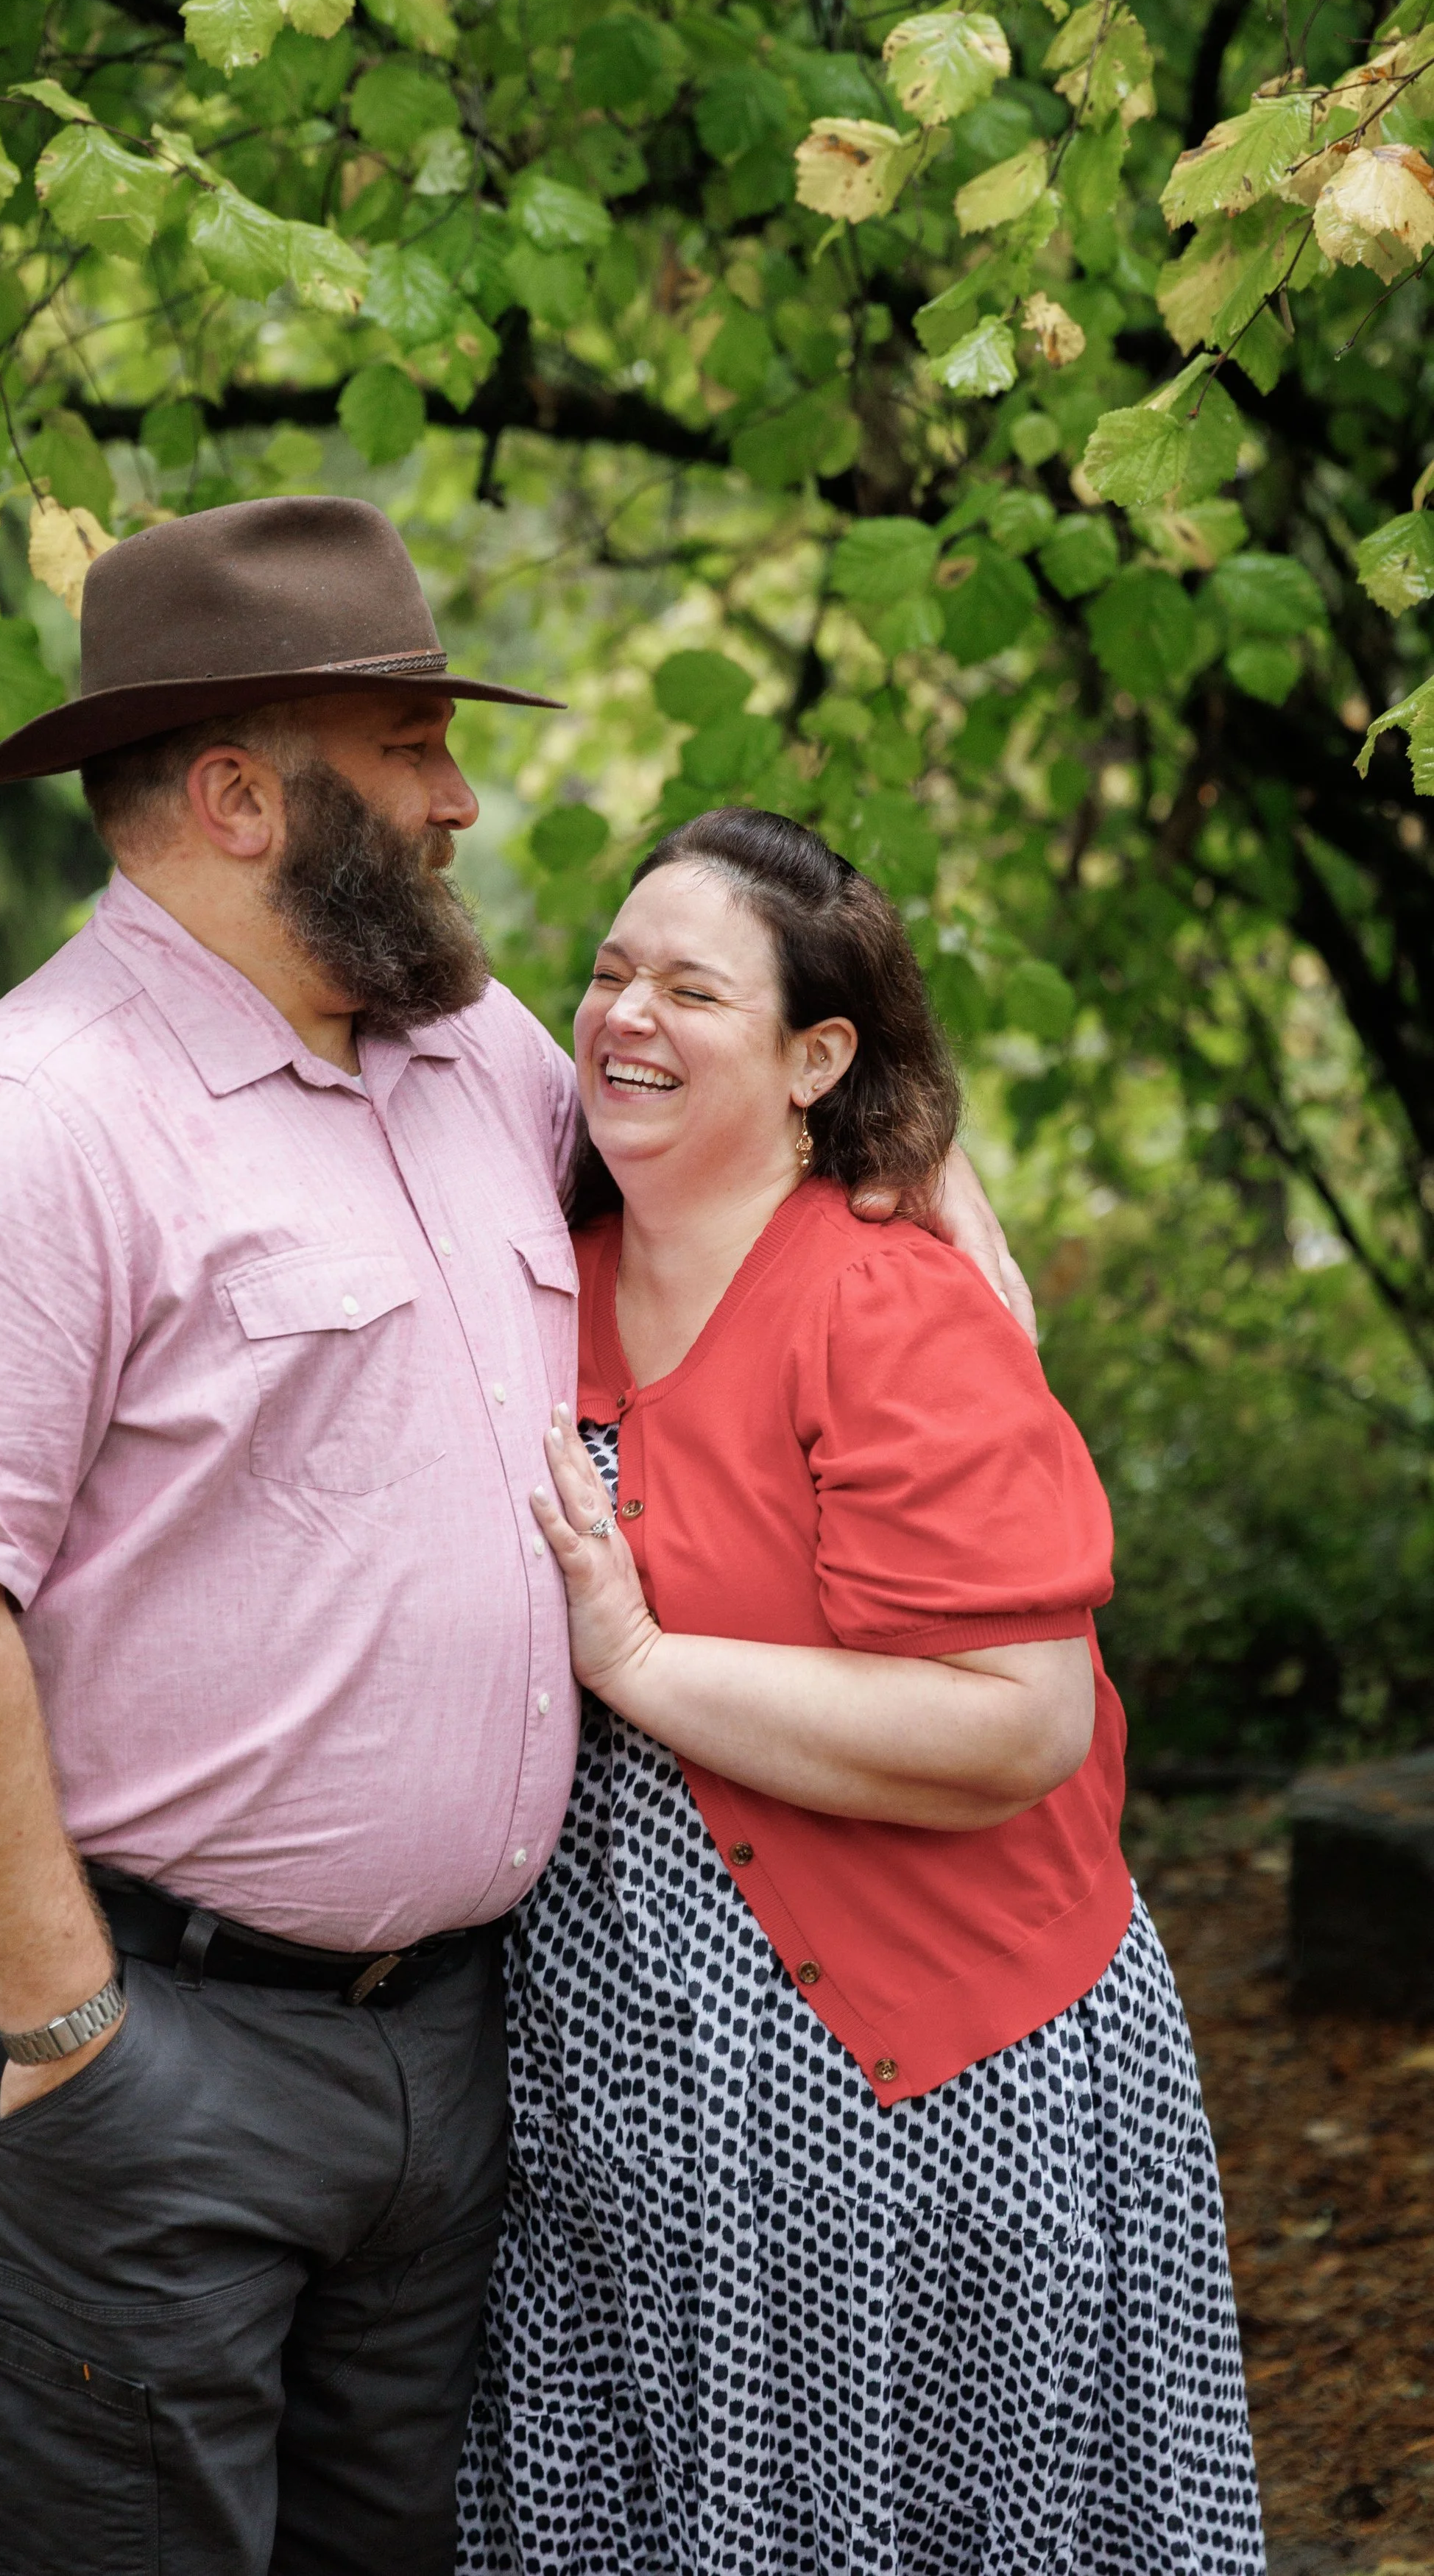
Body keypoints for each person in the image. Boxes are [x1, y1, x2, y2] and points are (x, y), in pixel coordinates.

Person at [0, 498, 1030, 2576]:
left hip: (441, 2048)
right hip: (133, 2025)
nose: (462, 799)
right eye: (405, 745)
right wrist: (70, 2035)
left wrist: (912, 1175)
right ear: (237, 794)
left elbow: (771, 1167)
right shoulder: (28, 1122)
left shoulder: (469, 1054)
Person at [456, 808, 1263, 2576]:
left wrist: (644, 1667)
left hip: (922, 2088)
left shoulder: (888, 1308)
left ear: (817, 1055)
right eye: (604, 972)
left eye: (689, 988)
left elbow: (1015, 1724)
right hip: (620, 2095)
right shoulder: (537, 1267)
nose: (622, 1016)